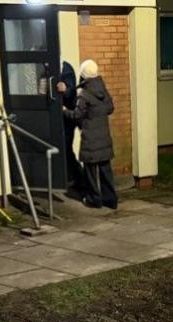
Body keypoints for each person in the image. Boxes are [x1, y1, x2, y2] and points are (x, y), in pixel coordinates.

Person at [63, 59, 117, 210]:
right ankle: (110, 199)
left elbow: (76, 116)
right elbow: (110, 108)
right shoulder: (103, 90)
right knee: (106, 170)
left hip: (90, 139)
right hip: (104, 137)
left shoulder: (84, 95)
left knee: (91, 172)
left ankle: (94, 199)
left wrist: (64, 111)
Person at [55, 61, 86, 198]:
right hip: (58, 117)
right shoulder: (46, 67)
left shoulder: (66, 68)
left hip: (67, 119)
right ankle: (73, 180)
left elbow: (70, 92)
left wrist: (65, 88)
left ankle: (78, 179)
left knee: (66, 150)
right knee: (62, 150)